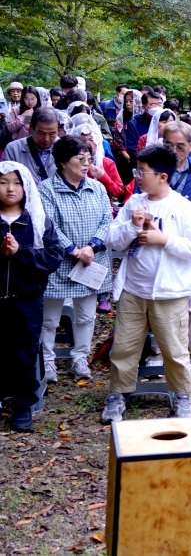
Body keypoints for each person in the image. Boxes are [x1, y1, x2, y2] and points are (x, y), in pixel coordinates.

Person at [102, 145, 191, 423]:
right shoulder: (134, 203)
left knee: (174, 349)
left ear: (162, 176)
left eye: (142, 172)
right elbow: (112, 240)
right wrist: (132, 227)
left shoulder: (183, 208)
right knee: (124, 346)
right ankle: (118, 394)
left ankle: (181, 394)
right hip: (134, 290)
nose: (137, 176)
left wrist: (165, 240)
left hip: (170, 292)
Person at [37, 136, 113, 382]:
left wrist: (91, 247)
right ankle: (47, 361)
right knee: (49, 319)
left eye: (88, 159)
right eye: (80, 159)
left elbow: (106, 220)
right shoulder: (46, 189)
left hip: (90, 261)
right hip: (58, 263)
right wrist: (72, 249)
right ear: (62, 162)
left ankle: (80, 357)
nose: (85, 164)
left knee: (86, 315)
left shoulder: (97, 187)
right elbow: (49, 224)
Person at [0, 162, 63, 431]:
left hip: (26, 301)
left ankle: (23, 405)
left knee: (25, 352)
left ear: (26, 187)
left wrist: (21, 252)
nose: (10, 188)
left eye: (16, 182)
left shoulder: (38, 221)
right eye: (3, 182)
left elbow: (53, 257)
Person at [155, 121, 191, 222]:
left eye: (180, 147)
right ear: (163, 143)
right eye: (169, 145)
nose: (174, 151)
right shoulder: (151, 172)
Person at [3, 105, 60, 185]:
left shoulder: (67, 149)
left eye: (52, 134)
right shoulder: (13, 149)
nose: (46, 139)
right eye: (41, 133)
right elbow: (6, 181)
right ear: (31, 128)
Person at [123, 91, 163, 162]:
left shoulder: (168, 120)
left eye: (160, 104)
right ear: (144, 107)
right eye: (153, 104)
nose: (157, 107)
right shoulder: (134, 124)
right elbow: (133, 150)